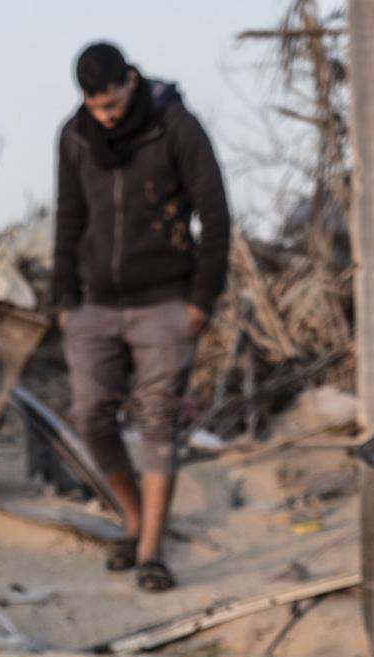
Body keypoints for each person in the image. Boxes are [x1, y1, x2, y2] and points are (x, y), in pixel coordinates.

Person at [49, 40, 230, 593]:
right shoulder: (76, 135)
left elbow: (215, 213)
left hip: (165, 300)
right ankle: (133, 519)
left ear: (130, 79)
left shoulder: (174, 124)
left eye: (112, 102)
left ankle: (151, 551)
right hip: (94, 303)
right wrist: (62, 299)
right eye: (95, 106)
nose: (106, 114)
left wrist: (202, 299)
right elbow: (69, 214)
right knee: (91, 416)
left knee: (156, 419)